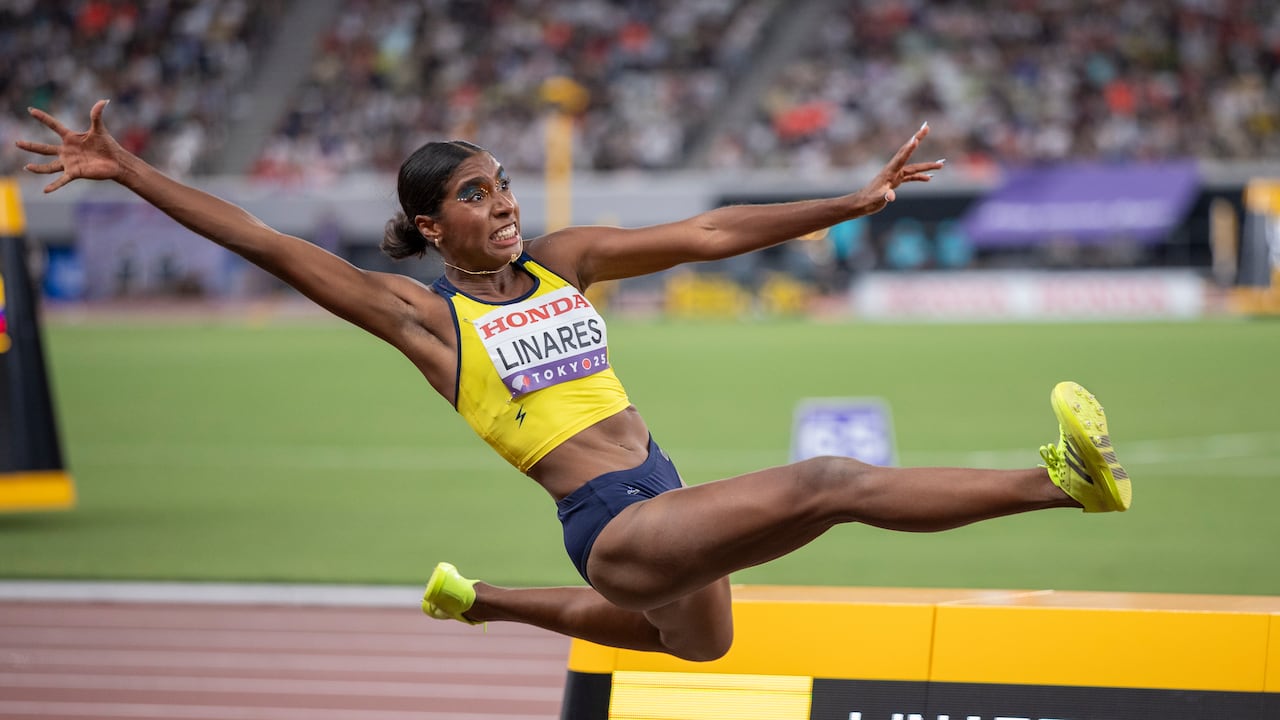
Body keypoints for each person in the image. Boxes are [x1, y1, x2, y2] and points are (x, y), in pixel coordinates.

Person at [18, 101, 1131, 662]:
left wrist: (848, 201)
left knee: (700, 645)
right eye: (473, 195)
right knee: (828, 481)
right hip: (610, 523)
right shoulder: (425, 319)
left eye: (501, 183)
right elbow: (265, 242)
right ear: (429, 225)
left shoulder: (568, 259)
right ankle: (1058, 484)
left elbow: (709, 231)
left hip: (661, 483)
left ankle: (485, 601)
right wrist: (127, 167)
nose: (501, 202)